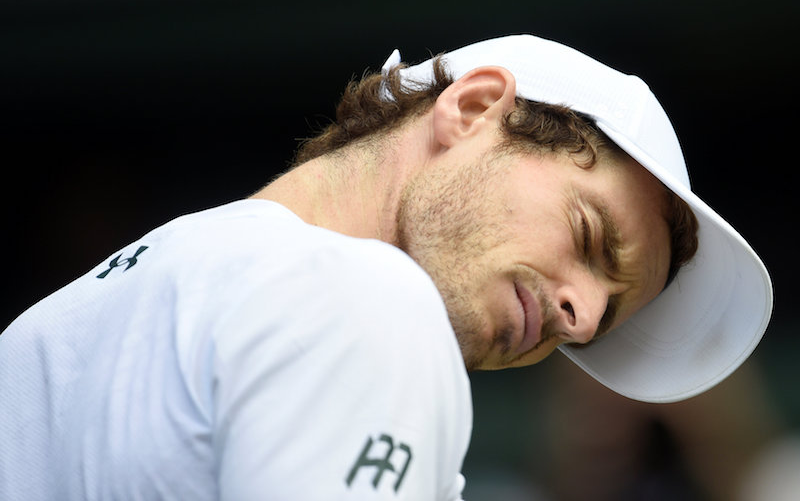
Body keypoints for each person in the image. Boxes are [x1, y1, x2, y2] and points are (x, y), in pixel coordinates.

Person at [0, 34, 772, 500]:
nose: (582, 316)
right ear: (471, 108)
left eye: (605, 318)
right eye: (588, 235)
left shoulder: (53, 323)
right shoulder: (371, 297)